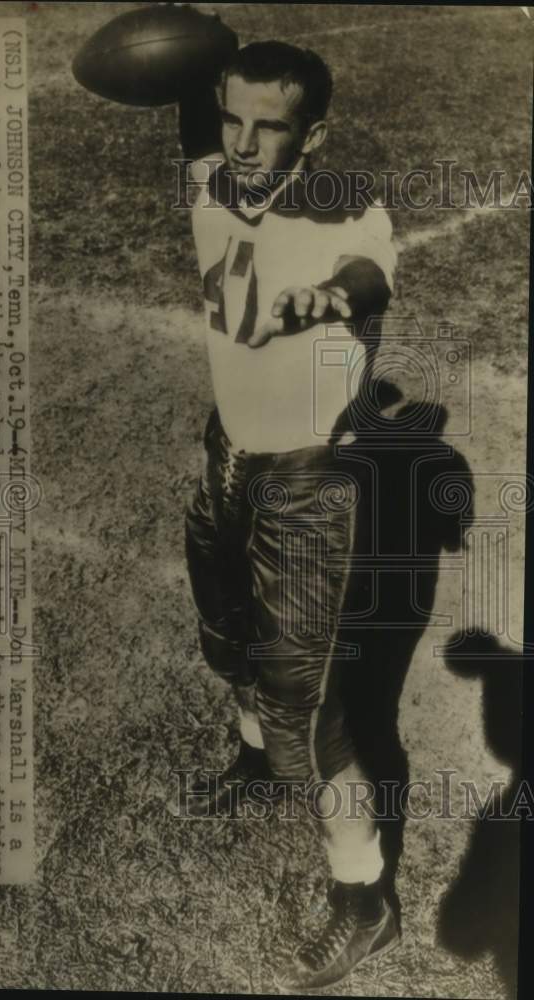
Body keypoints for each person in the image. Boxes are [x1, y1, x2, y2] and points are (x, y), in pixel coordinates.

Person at [176, 39, 400, 991]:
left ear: (315, 136)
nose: (243, 142)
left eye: (271, 127)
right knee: (227, 638)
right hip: (229, 454)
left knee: (310, 715)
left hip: (308, 483)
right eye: (231, 119)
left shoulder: (348, 206)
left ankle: (366, 900)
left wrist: (328, 297)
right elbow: (191, 99)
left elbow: (368, 274)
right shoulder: (209, 178)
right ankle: (254, 765)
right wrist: (200, 48)